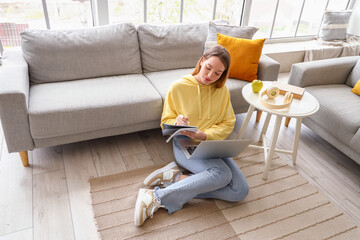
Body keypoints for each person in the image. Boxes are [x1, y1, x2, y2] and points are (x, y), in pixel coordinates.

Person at [134, 45, 249, 226]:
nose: (210, 76)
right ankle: (155, 196)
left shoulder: (222, 91)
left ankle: (176, 179)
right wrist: (177, 121)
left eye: (218, 73)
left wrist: (205, 135)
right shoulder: (178, 87)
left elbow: (228, 123)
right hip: (185, 144)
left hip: (211, 143)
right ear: (202, 61)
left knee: (240, 191)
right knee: (222, 175)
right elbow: (166, 121)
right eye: (208, 68)